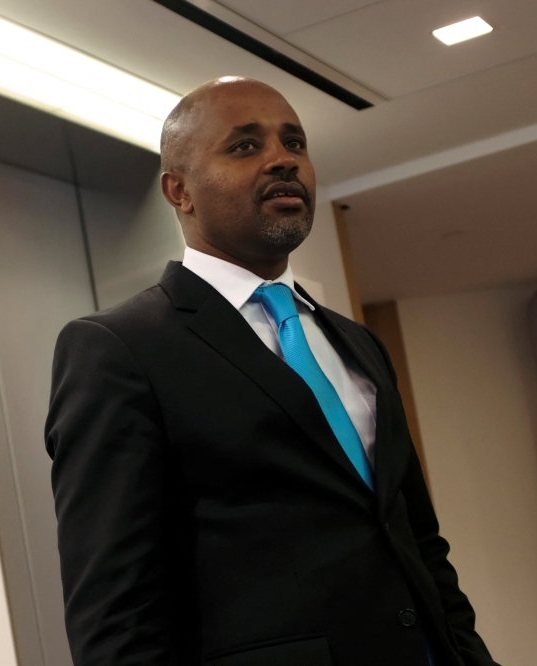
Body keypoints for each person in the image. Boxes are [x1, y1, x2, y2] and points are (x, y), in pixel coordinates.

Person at [45, 77, 499, 666]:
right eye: (245, 146)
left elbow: (417, 538)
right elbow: (115, 611)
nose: (283, 160)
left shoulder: (357, 342)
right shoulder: (119, 349)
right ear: (179, 191)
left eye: (295, 143)